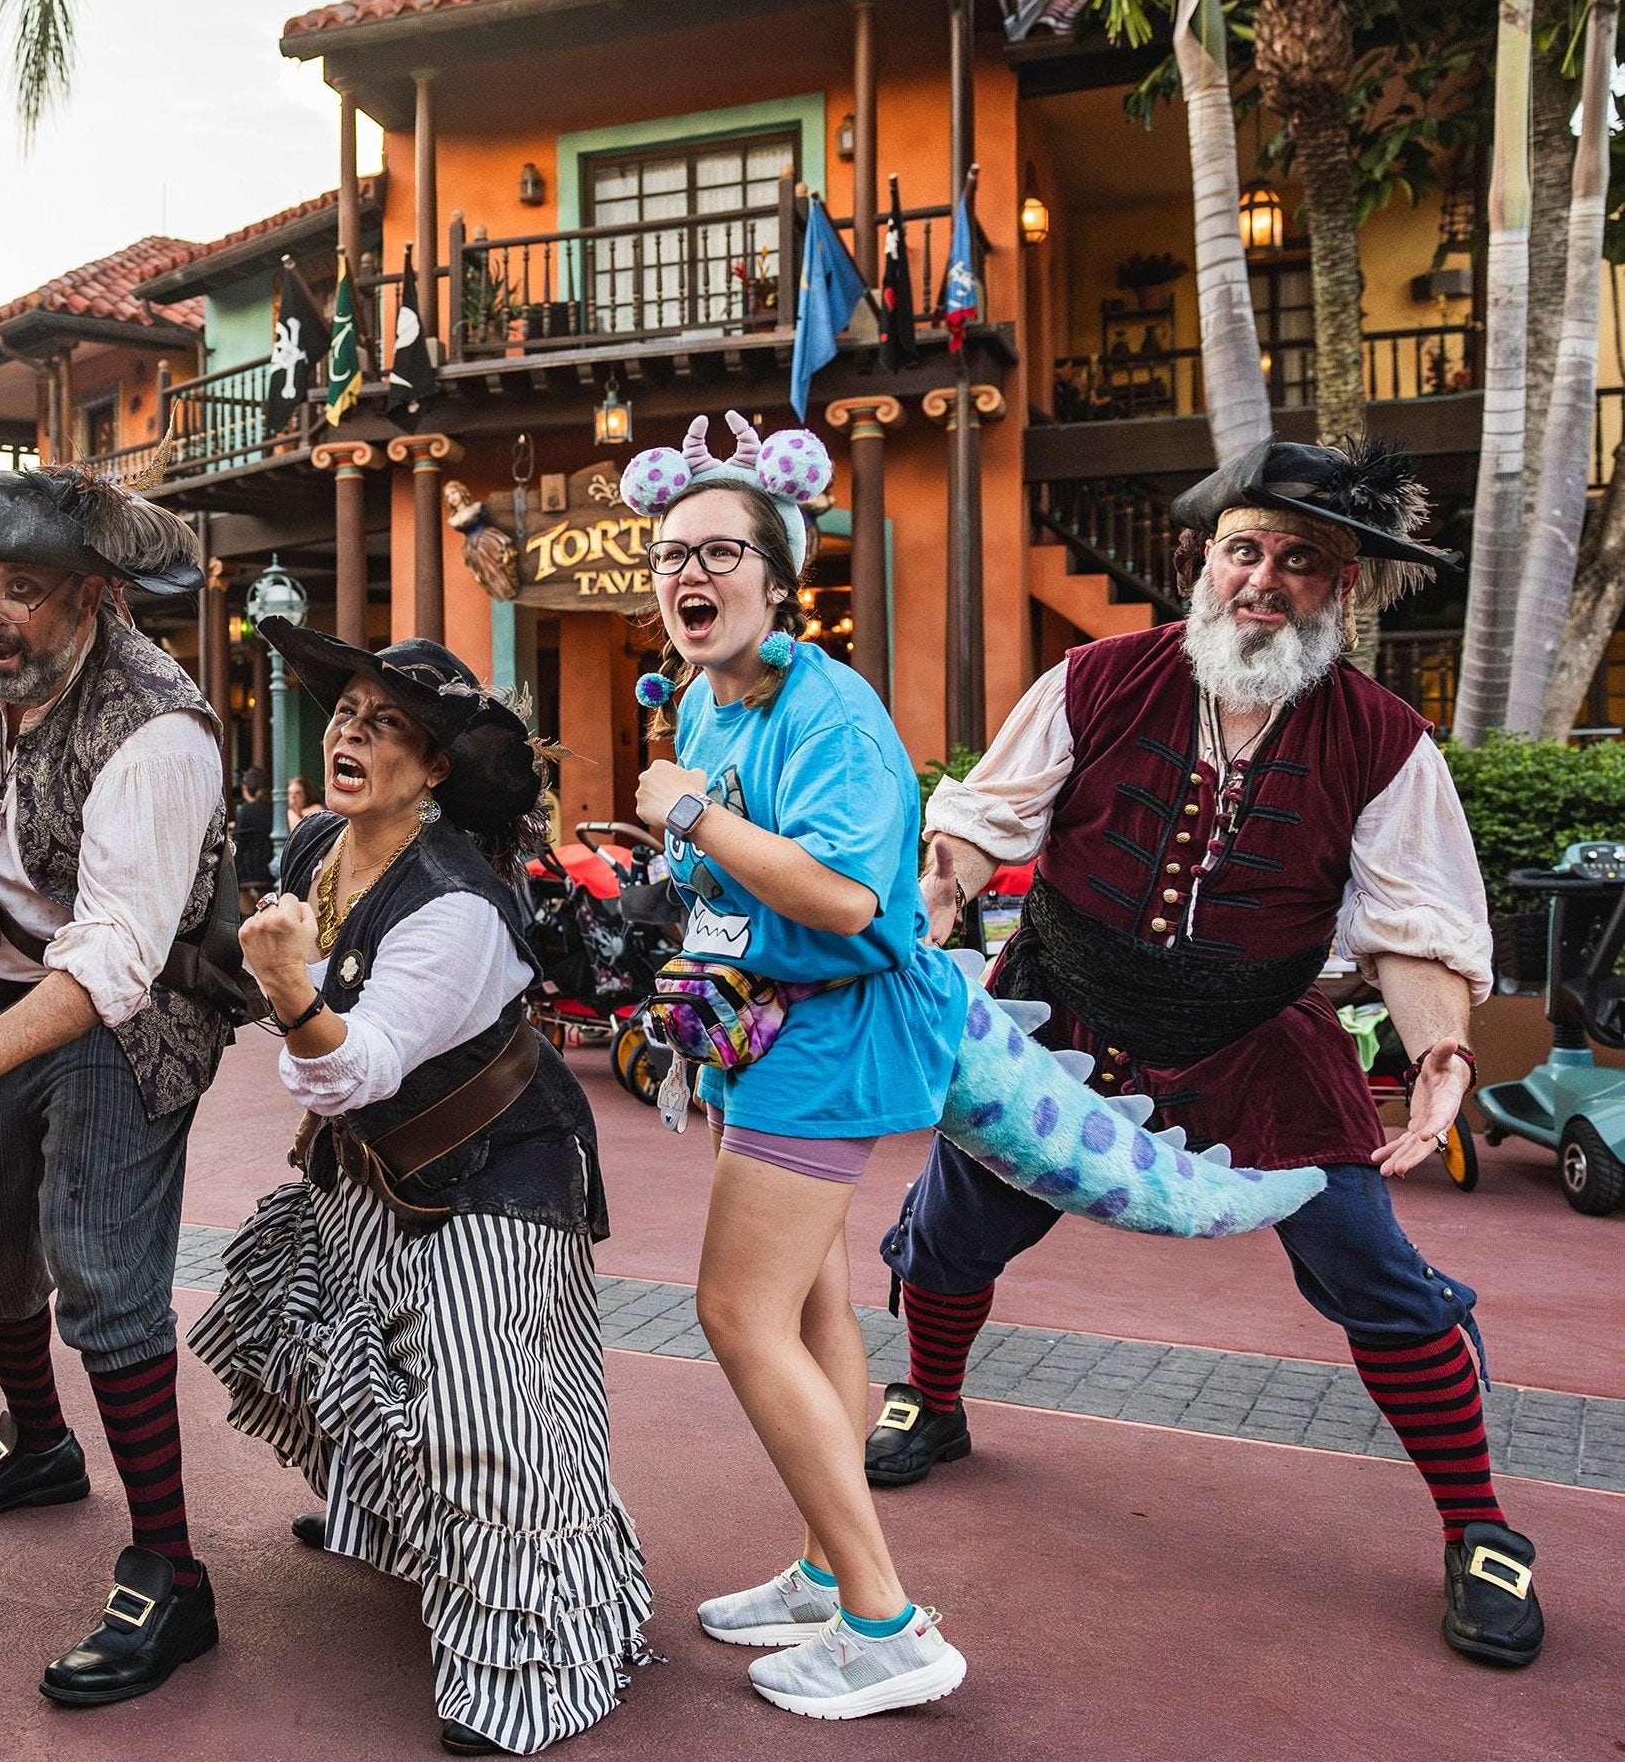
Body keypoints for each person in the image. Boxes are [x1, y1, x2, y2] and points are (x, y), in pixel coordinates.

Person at [891, 438, 1542, 1667]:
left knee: (1372, 1270)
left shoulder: (1385, 738)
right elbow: (985, 822)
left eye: (1301, 560)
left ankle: (1481, 1527)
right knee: (952, 1232)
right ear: (1204, 561)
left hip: (1257, 1035)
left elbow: (1413, 930)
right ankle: (932, 1398)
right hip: (1060, 1008)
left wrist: (1441, 1050)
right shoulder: (1096, 678)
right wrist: (937, 897)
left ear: (1339, 588)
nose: (1264, 577)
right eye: (1245, 548)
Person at [190, 621, 651, 1757]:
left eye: (387, 725)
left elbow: (355, 1069)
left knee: (483, 1420)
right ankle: (407, 1536)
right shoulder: (316, 845)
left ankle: (538, 1665)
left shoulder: (457, 906)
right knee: (336, 1352)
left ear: (434, 768)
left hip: (494, 1176)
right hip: (370, 1178)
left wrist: (287, 981)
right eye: (348, 713)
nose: (353, 732)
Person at [0, 464, 232, 1708]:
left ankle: (173, 1575)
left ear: (93, 596)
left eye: (22, 589)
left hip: (131, 1009)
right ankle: (36, 1446)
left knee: (102, 1272)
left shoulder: (159, 727)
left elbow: (120, 955)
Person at [622, 412, 968, 1719]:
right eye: (670, 554)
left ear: (779, 577)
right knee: (816, 1312)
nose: (688, 574)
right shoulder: (712, 696)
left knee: (737, 1311)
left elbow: (839, 897)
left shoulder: (828, 708)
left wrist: (693, 816)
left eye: (719, 551)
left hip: (826, 1028)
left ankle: (886, 1625)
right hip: (747, 1020)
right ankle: (830, 1573)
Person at [230, 765, 274, 906]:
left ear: (246, 789)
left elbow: (239, 837)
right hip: (268, 864)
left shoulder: (245, 809)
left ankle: (247, 917)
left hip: (247, 869)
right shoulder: (272, 807)